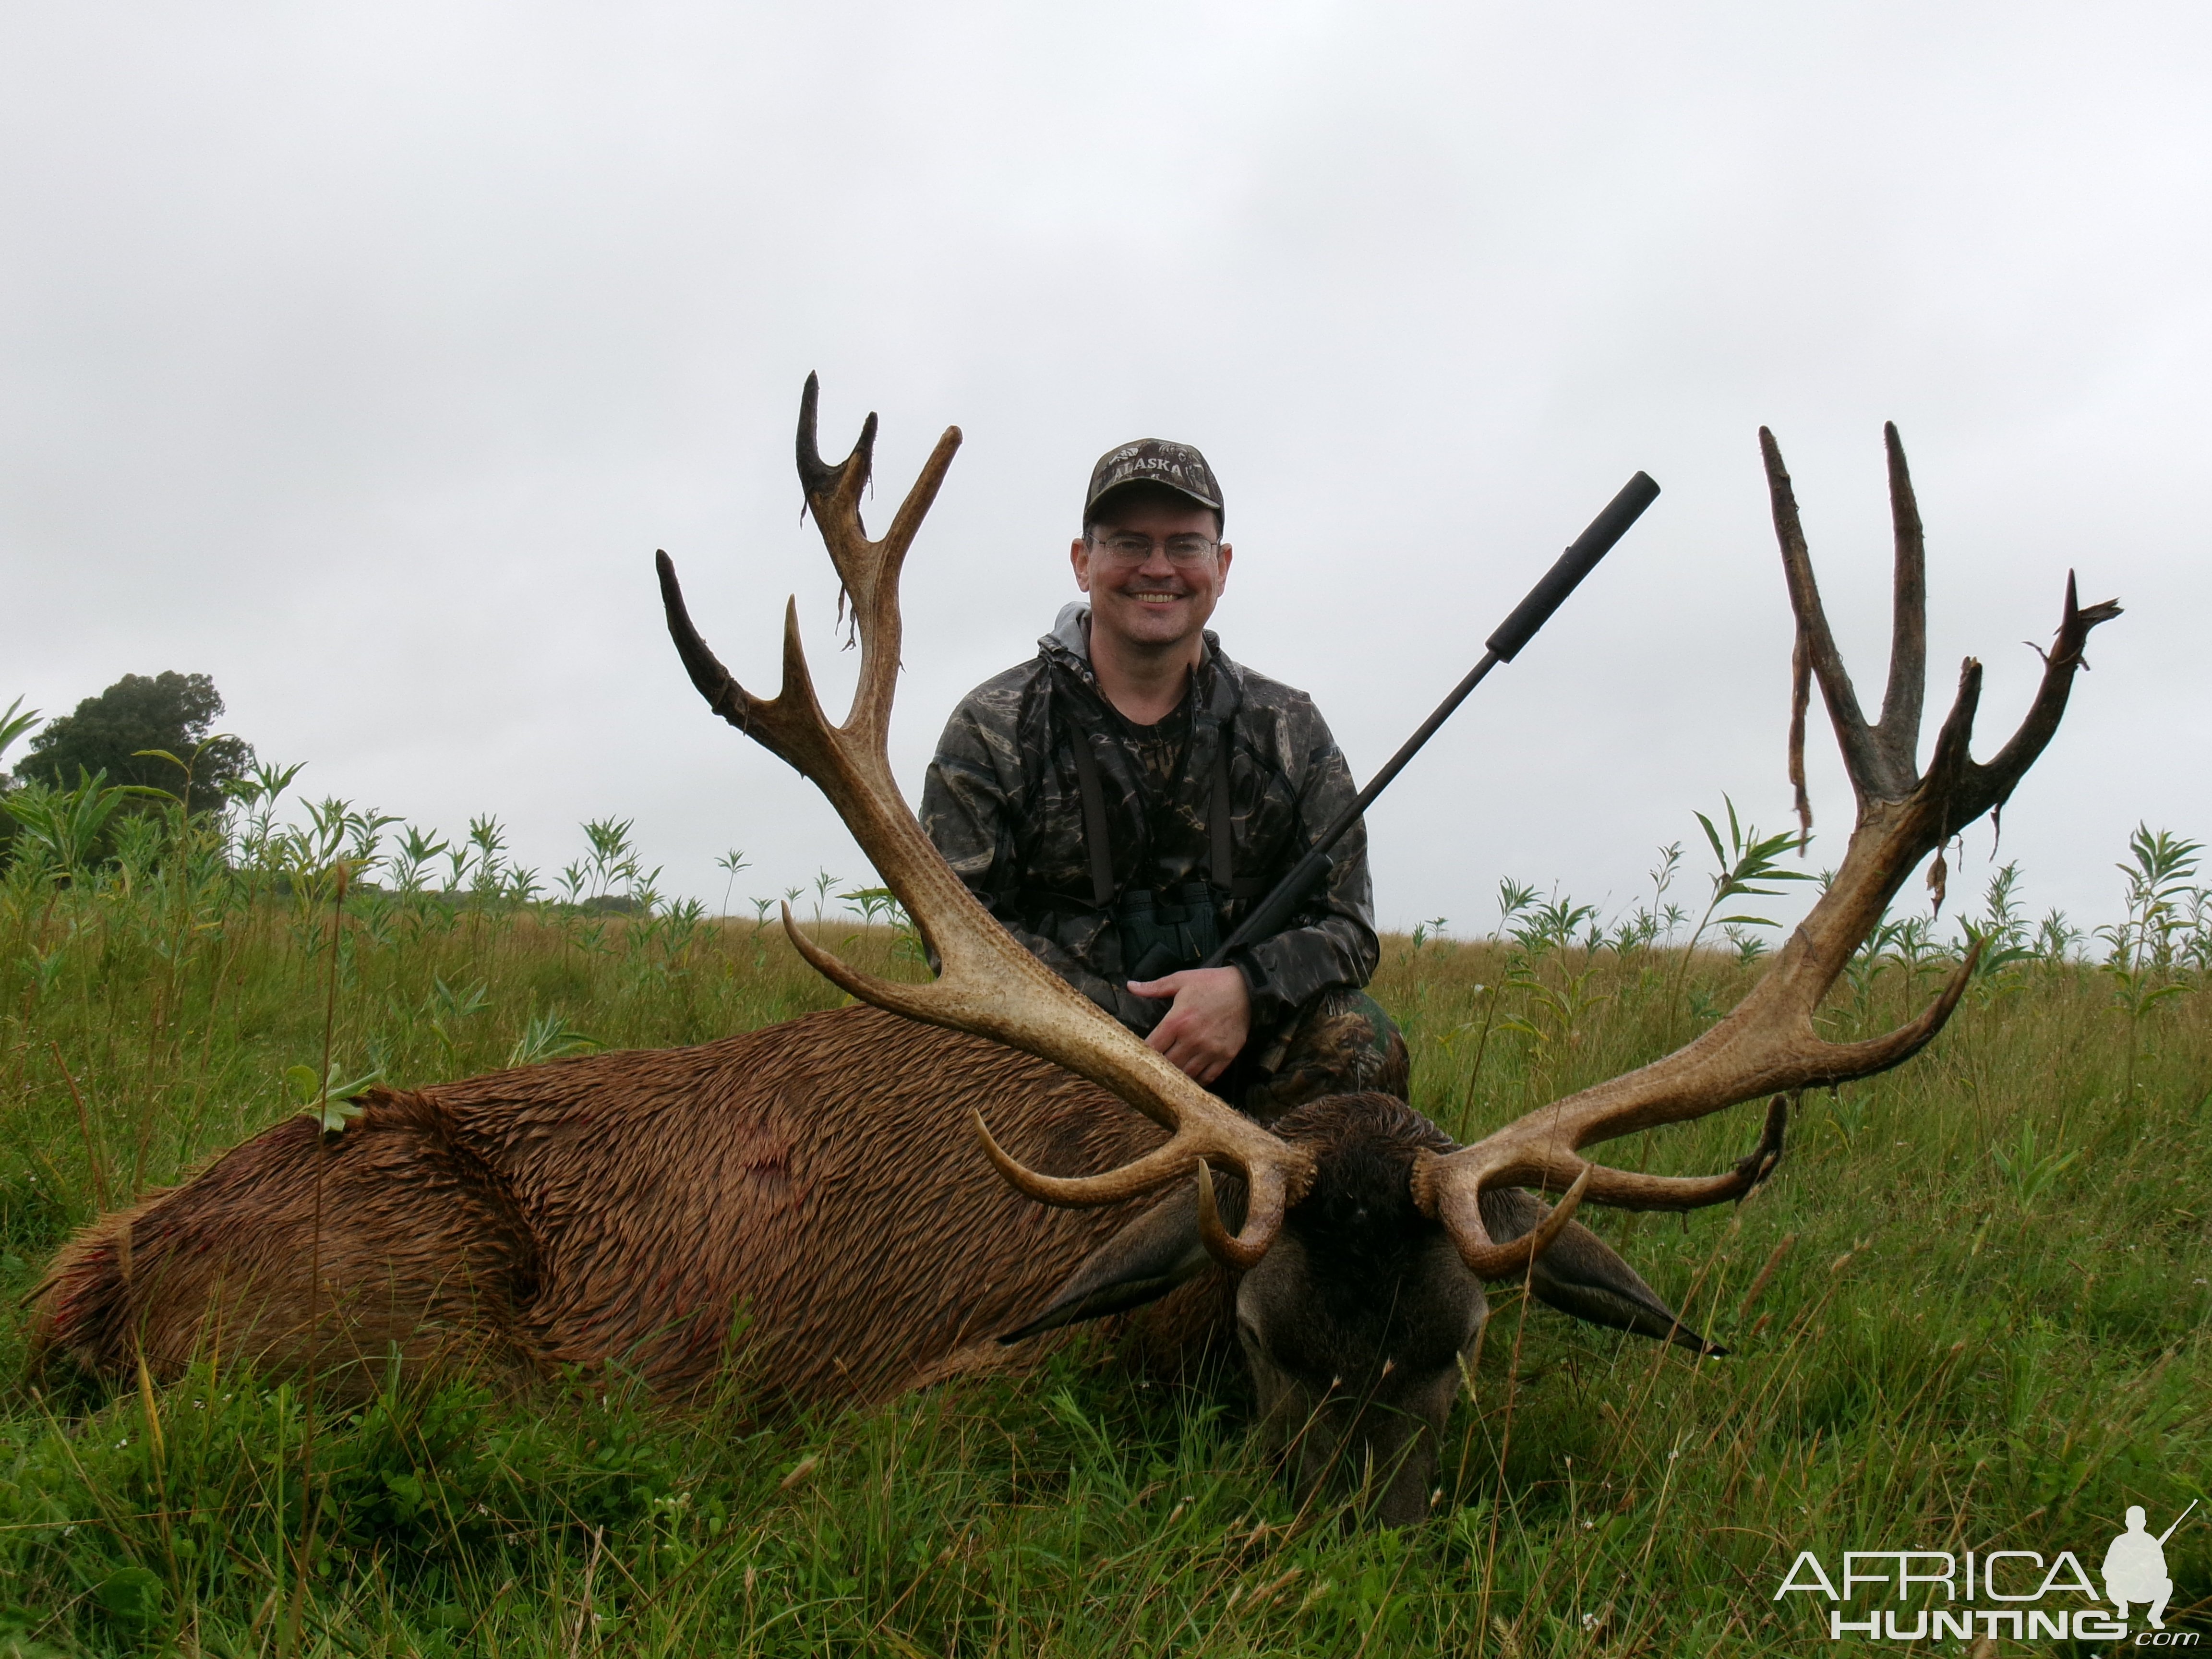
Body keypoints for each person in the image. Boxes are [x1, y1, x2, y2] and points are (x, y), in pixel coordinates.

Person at [921, 437, 1404, 1119]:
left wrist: (1245, 990)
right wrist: (1128, 1028)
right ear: (1083, 561)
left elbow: (1348, 928)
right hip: (1059, 1057)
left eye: (1185, 545)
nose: (1158, 568)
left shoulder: (1287, 727)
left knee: (1360, 1039)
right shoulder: (994, 726)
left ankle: (1284, 1222)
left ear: (1222, 565)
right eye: (1129, 543)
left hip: (1237, 1050)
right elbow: (956, 935)